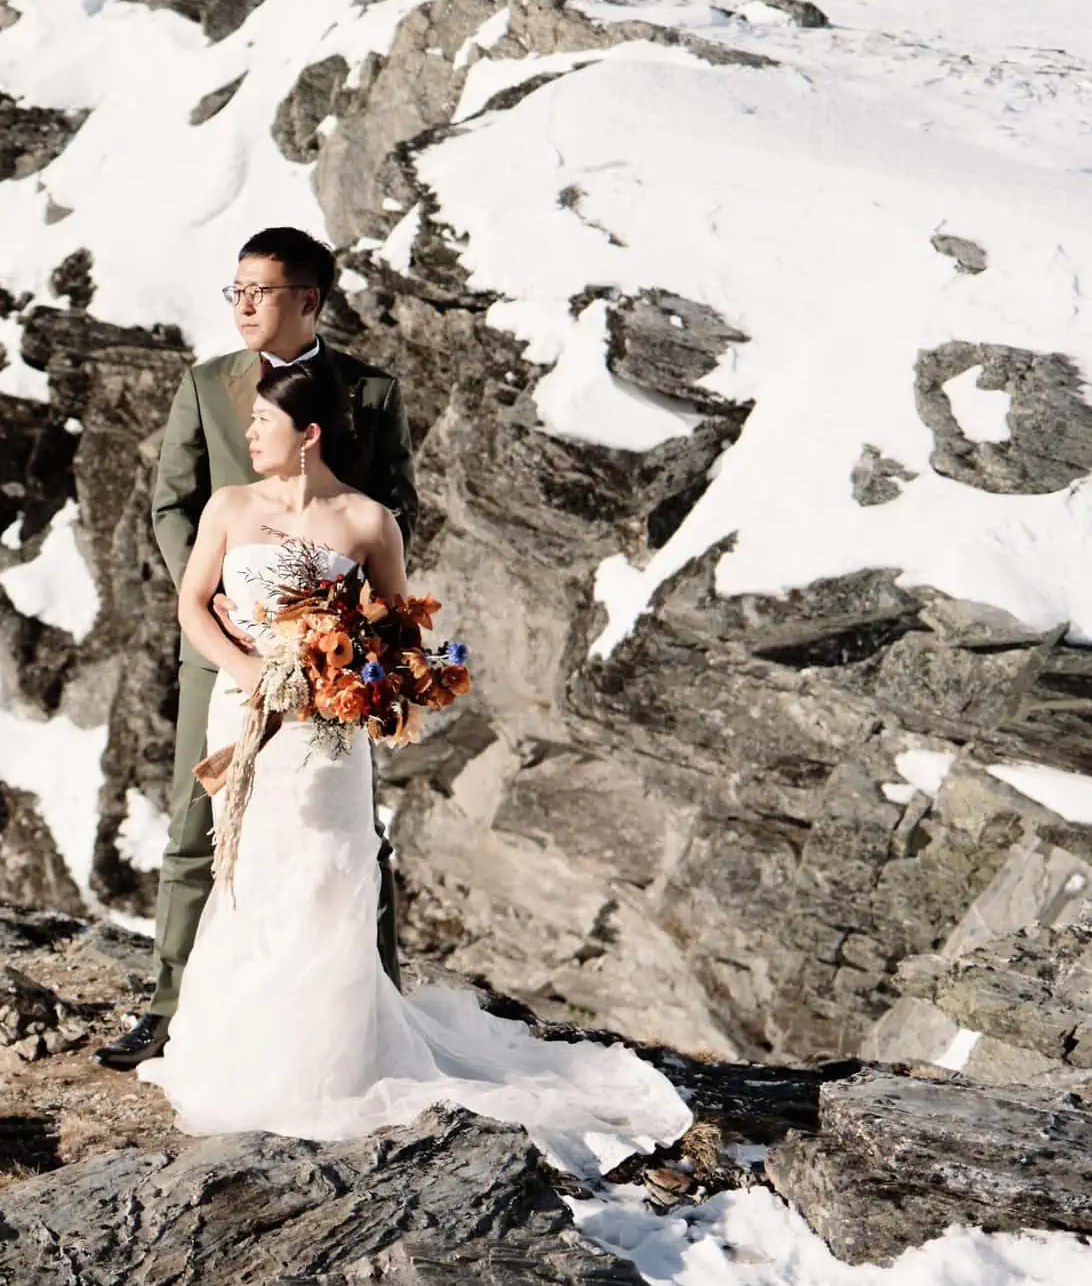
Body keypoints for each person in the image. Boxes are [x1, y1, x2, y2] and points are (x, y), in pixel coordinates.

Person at [131, 363, 692, 1166]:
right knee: (249, 871)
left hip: (327, 736)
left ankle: (328, 1059)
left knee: (325, 869)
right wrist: (256, 669)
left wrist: (346, 668)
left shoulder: (369, 523)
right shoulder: (228, 507)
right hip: (246, 712)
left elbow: (397, 637)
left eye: (263, 420)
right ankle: (241, 1047)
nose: (249, 433)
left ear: (310, 434)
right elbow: (192, 604)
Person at [97, 226, 415, 1072]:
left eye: (258, 289)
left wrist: (344, 627)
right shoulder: (206, 386)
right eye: (232, 289)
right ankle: (167, 1007)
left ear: (307, 298)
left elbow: (395, 512)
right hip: (224, 651)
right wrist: (228, 606)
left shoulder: (374, 393)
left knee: (342, 832)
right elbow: (171, 505)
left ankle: (373, 1011)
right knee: (201, 822)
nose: (241, 304)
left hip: (334, 666)